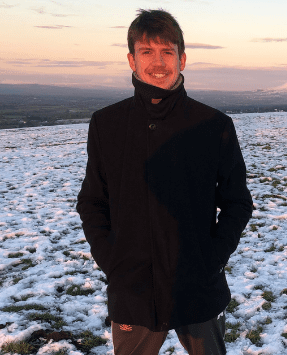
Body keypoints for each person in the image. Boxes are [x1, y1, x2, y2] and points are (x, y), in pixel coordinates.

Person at [76, 9, 252, 355]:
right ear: (131, 59)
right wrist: (112, 261)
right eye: (147, 52)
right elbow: (92, 201)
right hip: (133, 288)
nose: (158, 63)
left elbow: (237, 202)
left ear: (182, 59)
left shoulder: (213, 125)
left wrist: (212, 258)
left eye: (167, 52)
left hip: (198, 284)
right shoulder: (106, 124)